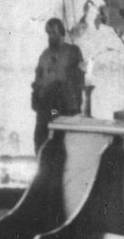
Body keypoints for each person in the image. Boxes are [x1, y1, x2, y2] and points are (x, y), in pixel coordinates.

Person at [30, 17, 85, 152]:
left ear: (62, 33)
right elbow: (38, 78)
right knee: (41, 139)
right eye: (48, 33)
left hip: (64, 107)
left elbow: (80, 78)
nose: (50, 36)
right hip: (46, 108)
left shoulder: (72, 51)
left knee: (63, 141)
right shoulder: (44, 55)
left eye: (53, 33)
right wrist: (36, 94)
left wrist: (75, 103)